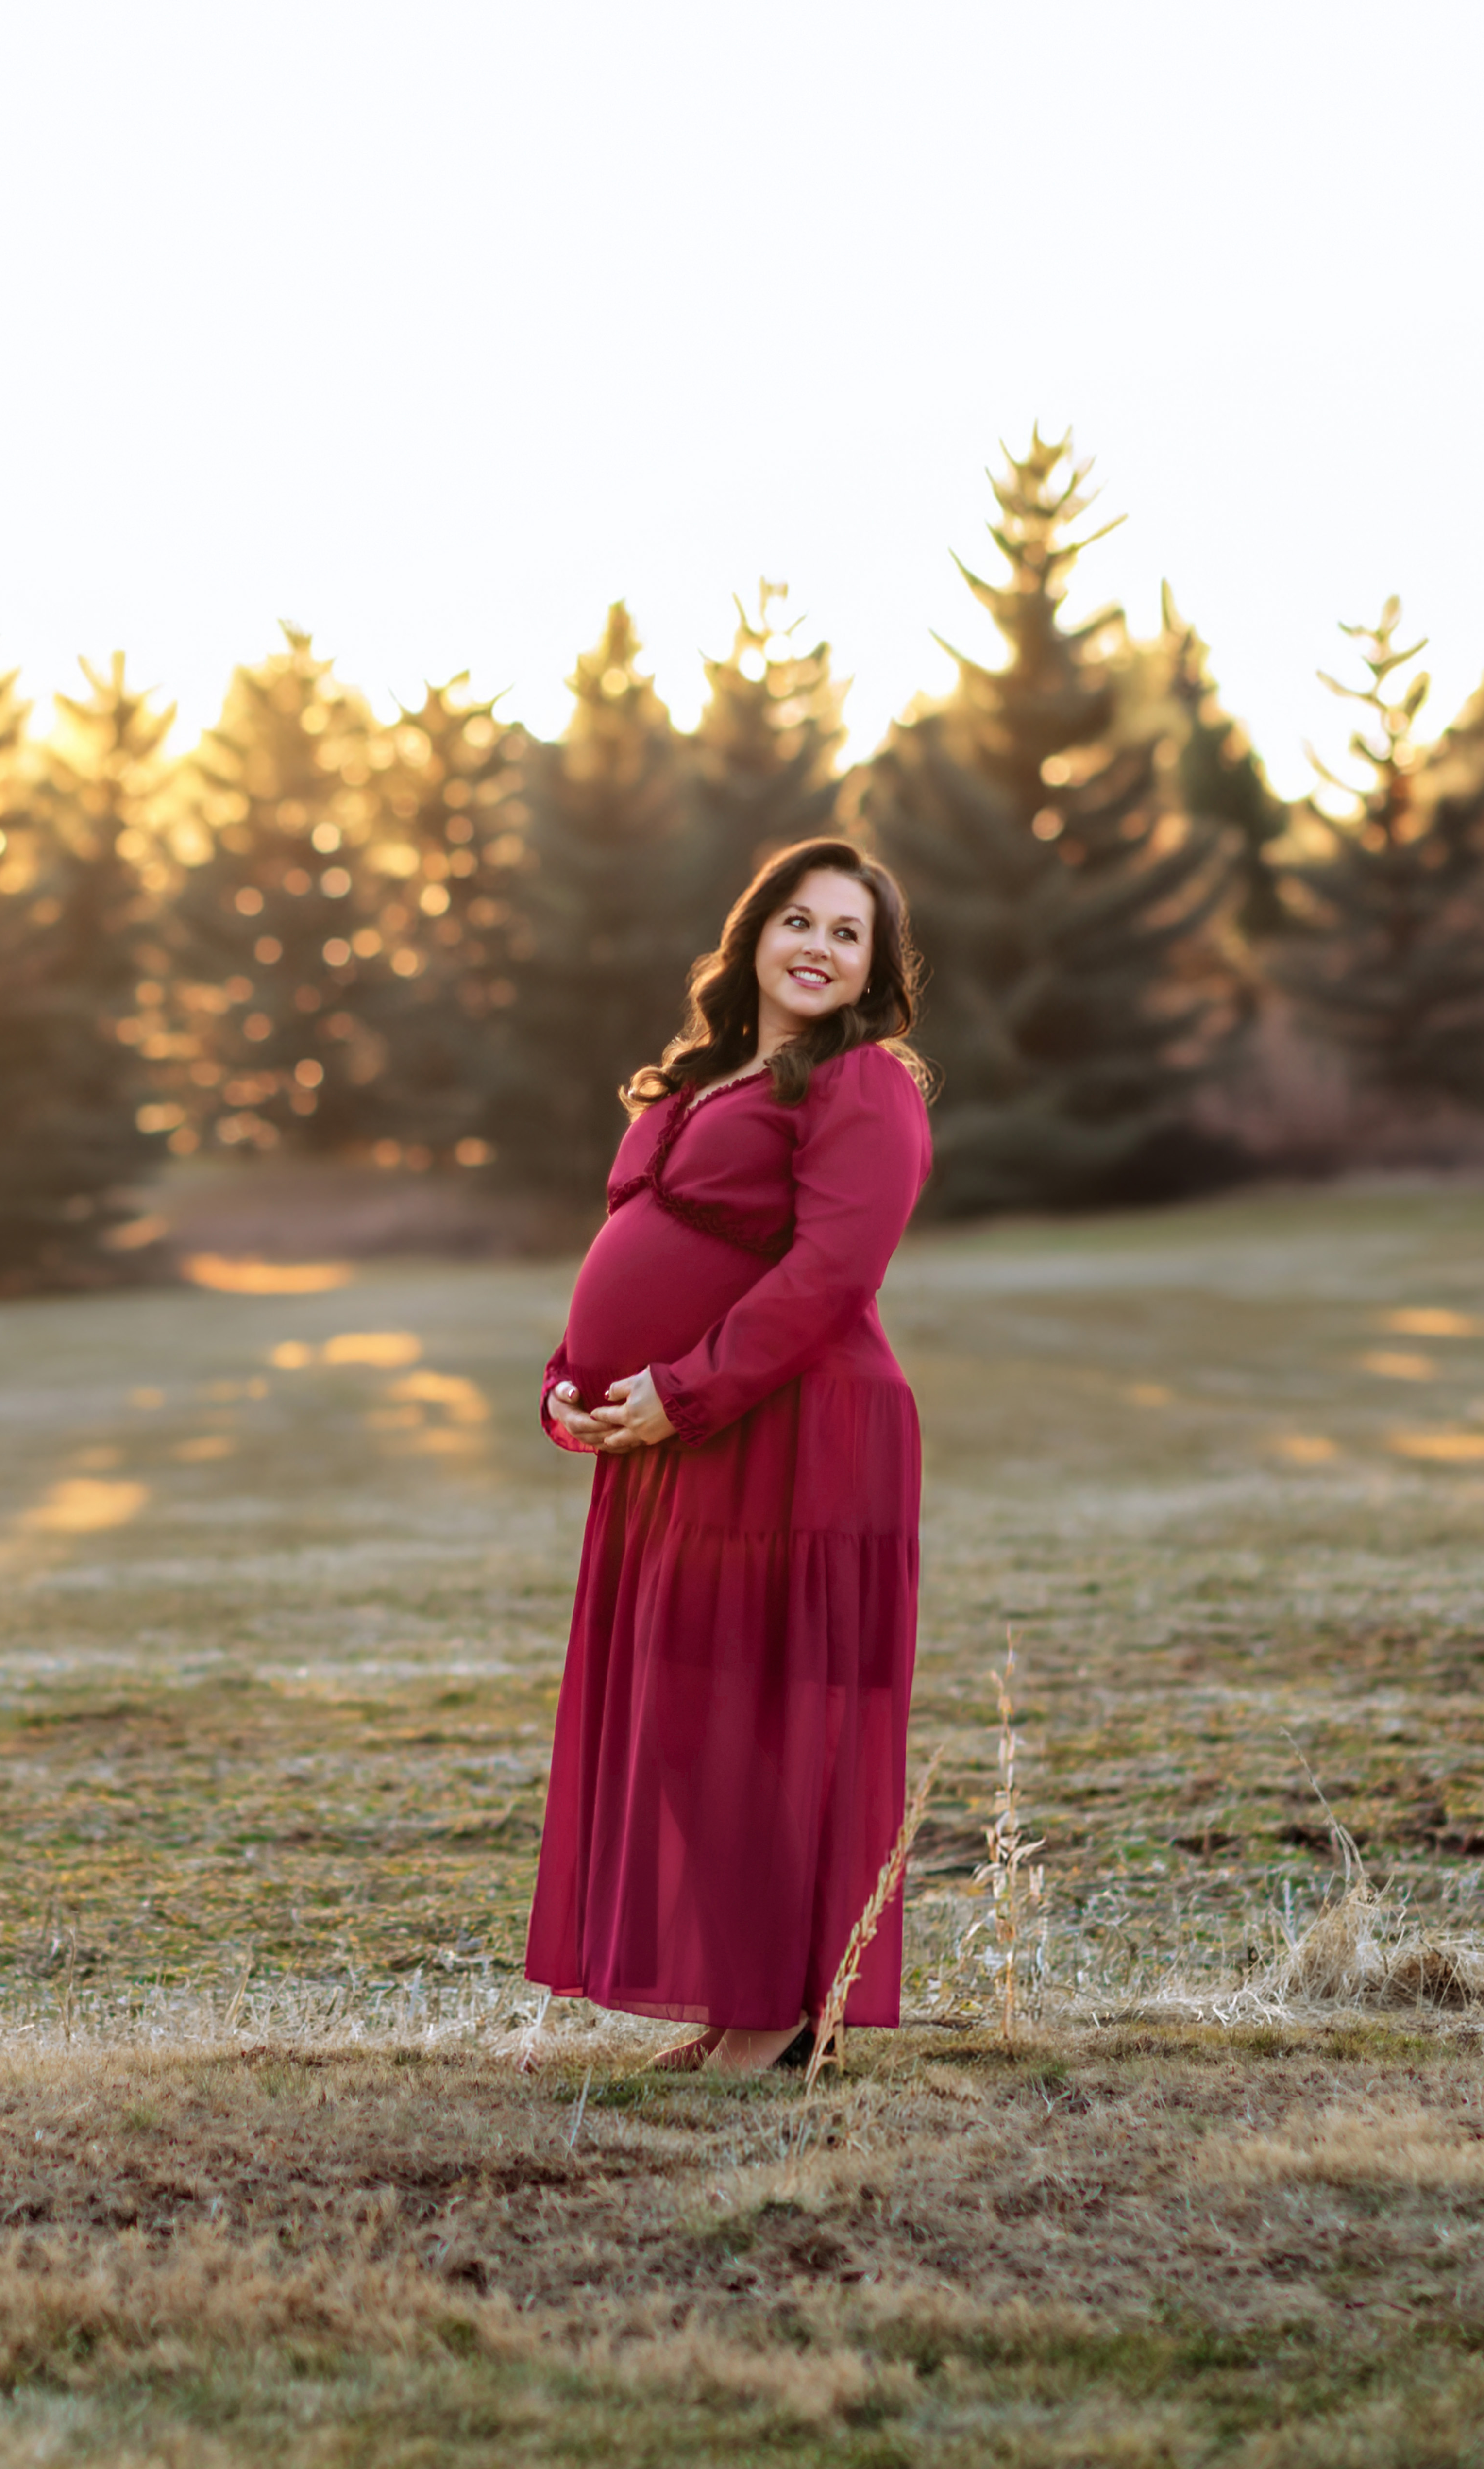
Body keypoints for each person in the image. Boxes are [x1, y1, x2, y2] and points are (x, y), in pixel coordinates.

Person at [529, 837, 933, 2072]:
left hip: (792, 1433)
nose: (817, 946)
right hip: (675, 1435)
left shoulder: (865, 1085)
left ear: (870, 969)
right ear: (755, 934)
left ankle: (772, 2018)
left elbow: (830, 1275)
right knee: (683, 1723)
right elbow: (632, 1248)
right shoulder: (702, 1080)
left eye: (847, 933)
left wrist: (687, 1394)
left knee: (751, 1727)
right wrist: (567, 1385)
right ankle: (747, 2003)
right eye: (798, 920)